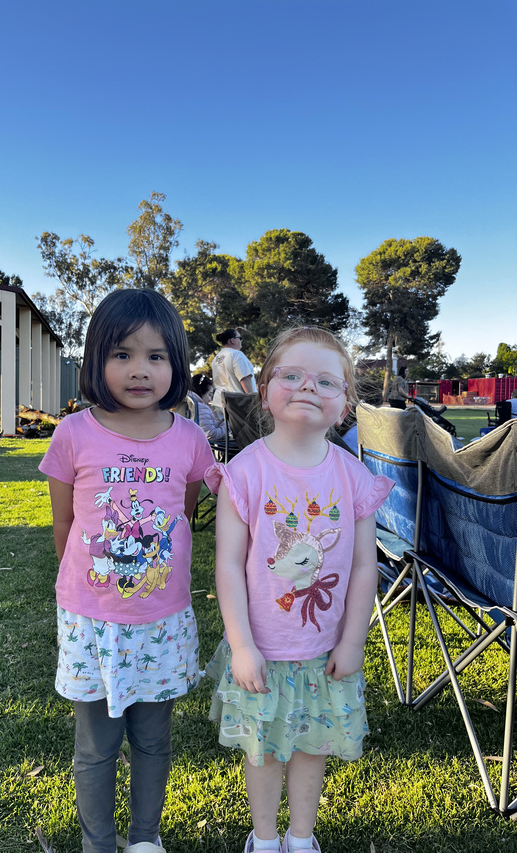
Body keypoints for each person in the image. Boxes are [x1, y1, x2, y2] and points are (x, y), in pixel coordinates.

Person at [204, 327, 394, 853]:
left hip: (324, 654)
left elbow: (364, 567)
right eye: (292, 375)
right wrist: (241, 645)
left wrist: (353, 641)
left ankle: (301, 838)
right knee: (263, 750)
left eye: (326, 381)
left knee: (313, 747)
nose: (308, 386)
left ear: (345, 405)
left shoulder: (353, 476)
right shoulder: (244, 472)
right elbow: (228, 566)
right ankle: (265, 840)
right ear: (264, 391)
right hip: (261, 650)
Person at [38, 289, 214, 853]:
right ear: (97, 358)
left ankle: (144, 840)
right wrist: (92, 589)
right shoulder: (72, 434)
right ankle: (98, 843)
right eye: (122, 354)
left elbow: (183, 513)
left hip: (162, 619)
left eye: (156, 356)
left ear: (176, 363)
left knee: (153, 741)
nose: (140, 370)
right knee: (95, 747)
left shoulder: (191, 439)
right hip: (91, 622)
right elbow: (64, 526)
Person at [211, 328, 257, 418]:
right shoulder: (237, 355)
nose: (241, 341)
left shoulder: (216, 359)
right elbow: (245, 379)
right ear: (232, 340)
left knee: (226, 427)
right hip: (238, 406)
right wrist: (253, 404)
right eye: (240, 338)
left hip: (219, 402)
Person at [188, 373, 228, 442]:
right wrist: (227, 425)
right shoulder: (201, 408)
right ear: (201, 392)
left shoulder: (189, 403)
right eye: (209, 394)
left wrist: (222, 422)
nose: (210, 399)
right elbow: (211, 435)